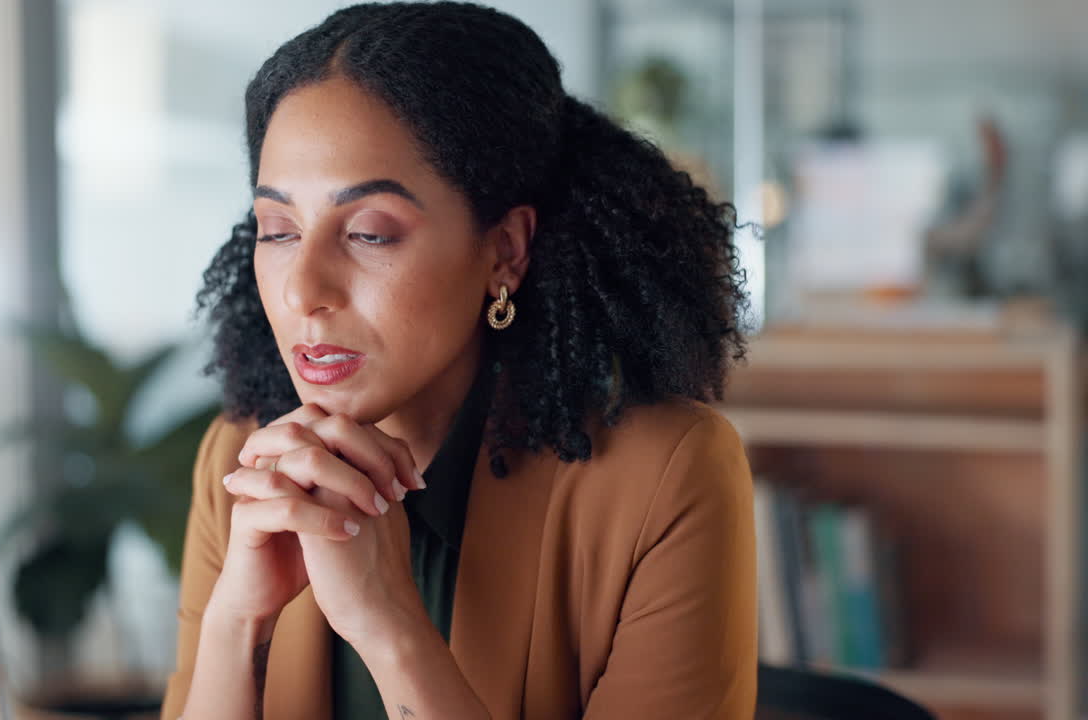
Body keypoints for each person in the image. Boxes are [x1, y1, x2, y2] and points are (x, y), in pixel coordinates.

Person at [162, 2, 757, 718]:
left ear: (504, 251)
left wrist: (389, 628)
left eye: (369, 233)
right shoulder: (239, 466)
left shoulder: (666, 480)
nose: (301, 290)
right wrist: (235, 627)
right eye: (279, 230)